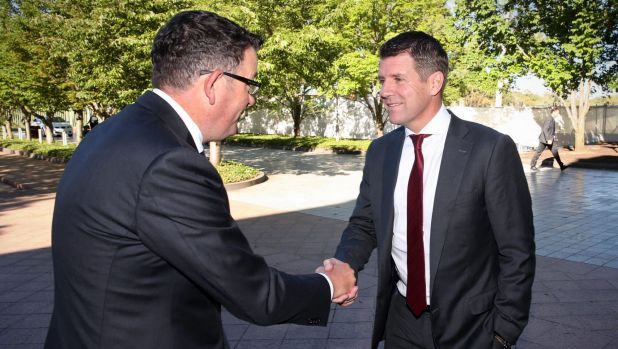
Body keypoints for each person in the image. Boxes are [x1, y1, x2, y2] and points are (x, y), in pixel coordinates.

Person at [44, 11, 355, 349]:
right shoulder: (169, 163)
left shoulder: (113, 132)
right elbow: (254, 293)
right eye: (250, 84)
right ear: (213, 84)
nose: (252, 99)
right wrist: (328, 284)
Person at [321, 31, 535, 349]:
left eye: (397, 79)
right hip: (401, 320)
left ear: (434, 83)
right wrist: (344, 264)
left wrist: (503, 333)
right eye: (382, 79)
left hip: (472, 327)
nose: (384, 91)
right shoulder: (381, 152)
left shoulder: (488, 149)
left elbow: (517, 250)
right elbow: (365, 224)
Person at [530, 106, 567, 171]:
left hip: (549, 140)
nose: (558, 114)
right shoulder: (549, 119)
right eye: (557, 112)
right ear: (554, 112)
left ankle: (561, 165)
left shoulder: (552, 119)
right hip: (545, 140)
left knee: (555, 152)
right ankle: (532, 165)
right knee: (538, 152)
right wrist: (548, 139)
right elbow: (545, 129)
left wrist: (553, 136)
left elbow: (550, 130)